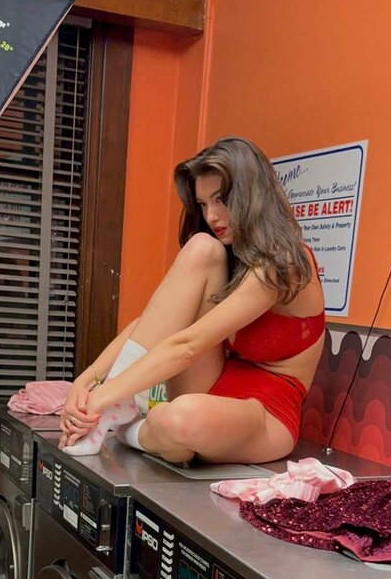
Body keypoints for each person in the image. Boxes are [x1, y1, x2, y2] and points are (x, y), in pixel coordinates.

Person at [59, 136, 325, 464]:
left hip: (265, 412)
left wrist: (101, 399)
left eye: (221, 200)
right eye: (203, 204)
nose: (212, 216)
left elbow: (188, 345)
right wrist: (87, 381)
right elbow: (151, 324)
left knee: (176, 419)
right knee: (200, 246)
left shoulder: (285, 262)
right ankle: (132, 418)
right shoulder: (227, 254)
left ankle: (134, 429)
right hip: (212, 383)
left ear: (252, 195)